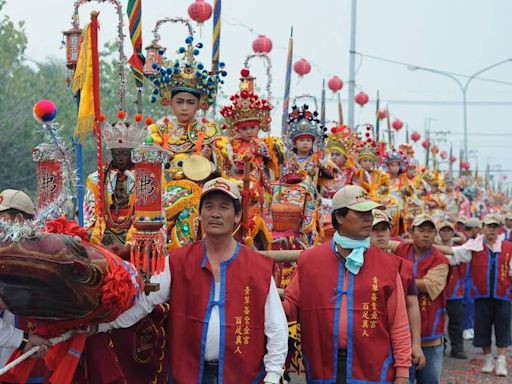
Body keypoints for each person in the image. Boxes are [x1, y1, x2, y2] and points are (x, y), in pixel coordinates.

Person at [94, 177, 288, 383]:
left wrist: (273, 375)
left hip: (242, 375)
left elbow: (276, 326)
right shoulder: (177, 262)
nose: (215, 214)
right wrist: (101, 326)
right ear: (200, 214)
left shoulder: (257, 267)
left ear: (238, 216)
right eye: (209, 207)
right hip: (189, 374)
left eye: (224, 207)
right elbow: (145, 303)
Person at [283, 185, 411, 383]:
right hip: (322, 365)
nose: (369, 218)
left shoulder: (387, 265)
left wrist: (402, 373)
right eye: (361, 213)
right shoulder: (310, 261)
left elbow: (399, 324)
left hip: (373, 367)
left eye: (369, 212)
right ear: (340, 217)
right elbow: (290, 306)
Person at [147, 35, 231, 250]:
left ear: (199, 104)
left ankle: (180, 252)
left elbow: (224, 165)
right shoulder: (158, 130)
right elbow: (146, 163)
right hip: (162, 187)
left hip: (199, 189)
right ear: (169, 101)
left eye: (190, 102)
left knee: (193, 200)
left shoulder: (209, 130)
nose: (185, 107)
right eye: (180, 102)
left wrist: (211, 157)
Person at [444, 214, 512, 377]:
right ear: (483, 228)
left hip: (503, 295)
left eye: (495, 227)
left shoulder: (508, 247)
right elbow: (454, 253)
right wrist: (431, 245)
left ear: (499, 229)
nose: (492, 230)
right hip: (481, 295)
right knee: (483, 328)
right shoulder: (474, 246)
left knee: (503, 328)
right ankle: (488, 358)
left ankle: (501, 359)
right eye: (489, 226)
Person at [221, 68, 282, 249]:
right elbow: (227, 162)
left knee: (253, 202)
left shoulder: (265, 143)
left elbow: (274, 158)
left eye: (252, 128)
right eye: (244, 129)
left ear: (259, 127)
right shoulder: (231, 144)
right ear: (237, 129)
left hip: (255, 185)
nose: (249, 132)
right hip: (235, 182)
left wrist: (259, 149)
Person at [387, 214, 449, 384]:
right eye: (421, 230)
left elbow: (430, 285)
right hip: (399, 334)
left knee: (429, 380)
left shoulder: (440, 261)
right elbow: (381, 241)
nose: (426, 234)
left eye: (430, 231)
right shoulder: (402, 249)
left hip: (430, 336)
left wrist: (396, 279)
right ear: (412, 232)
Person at [0, 190, 51, 371]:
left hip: (34, 361)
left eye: (1, 218)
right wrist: (23, 340)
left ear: (19, 220)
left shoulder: (49, 258)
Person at [370, 209, 426, 372]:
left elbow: (412, 305)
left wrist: (415, 343)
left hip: (399, 339)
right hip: (370, 338)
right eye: (375, 230)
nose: (380, 235)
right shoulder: (356, 264)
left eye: (384, 229)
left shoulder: (403, 266)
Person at [83, 113, 146, 255]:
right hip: (104, 233)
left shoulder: (145, 179)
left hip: (135, 234)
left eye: (125, 154)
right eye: (117, 154)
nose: (121, 159)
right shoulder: (96, 179)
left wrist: (129, 247)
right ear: (111, 153)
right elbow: (89, 217)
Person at [437, 221, 467, 359]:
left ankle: (457, 348)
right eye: (443, 230)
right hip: (437, 292)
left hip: (455, 292)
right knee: (438, 322)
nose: (446, 233)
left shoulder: (459, 249)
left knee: (456, 322)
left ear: (452, 233)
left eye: (448, 231)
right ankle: (439, 347)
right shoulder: (434, 249)